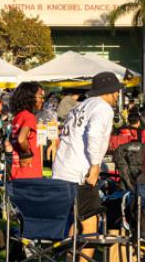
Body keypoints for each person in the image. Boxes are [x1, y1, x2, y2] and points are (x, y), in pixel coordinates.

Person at [53, 71, 123, 261]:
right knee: (91, 227)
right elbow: (93, 135)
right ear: (109, 91)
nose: (118, 96)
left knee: (77, 222)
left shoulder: (81, 106)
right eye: (116, 91)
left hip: (62, 171)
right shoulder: (103, 108)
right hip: (80, 174)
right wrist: (94, 167)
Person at [9, 82, 44, 179]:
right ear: (30, 97)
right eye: (40, 96)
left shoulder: (17, 117)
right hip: (30, 173)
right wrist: (27, 153)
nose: (42, 99)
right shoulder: (29, 117)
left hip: (17, 171)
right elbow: (21, 139)